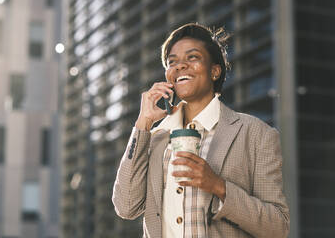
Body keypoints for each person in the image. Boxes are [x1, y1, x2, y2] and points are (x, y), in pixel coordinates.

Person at [112, 23, 290, 238]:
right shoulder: (155, 137)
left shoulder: (255, 134)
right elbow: (126, 207)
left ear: (215, 71)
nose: (180, 66)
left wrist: (219, 186)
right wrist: (143, 124)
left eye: (192, 57)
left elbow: (277, 227)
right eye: (172, 62)